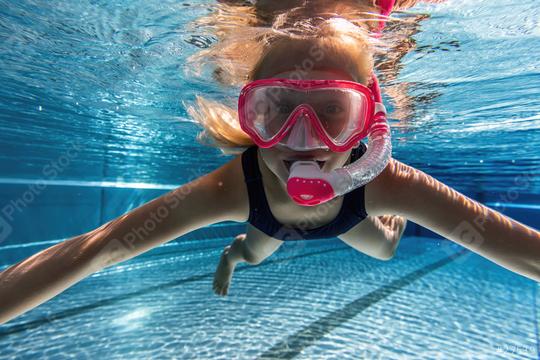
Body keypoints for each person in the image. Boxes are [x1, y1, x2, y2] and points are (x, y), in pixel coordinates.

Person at [1, 0, 539, 325]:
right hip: (262, 219)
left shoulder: (386, 180)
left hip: (353, 218)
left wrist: (394, 205)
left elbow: (510, 244)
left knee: (384, 248)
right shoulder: (231, 190)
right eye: (276, 109)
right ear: (251, 109)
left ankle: (384, 227)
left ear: (369, 124)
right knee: (250, 252)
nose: (302, 142)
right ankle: (233, 258)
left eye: (333, 111)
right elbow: (91, 253)